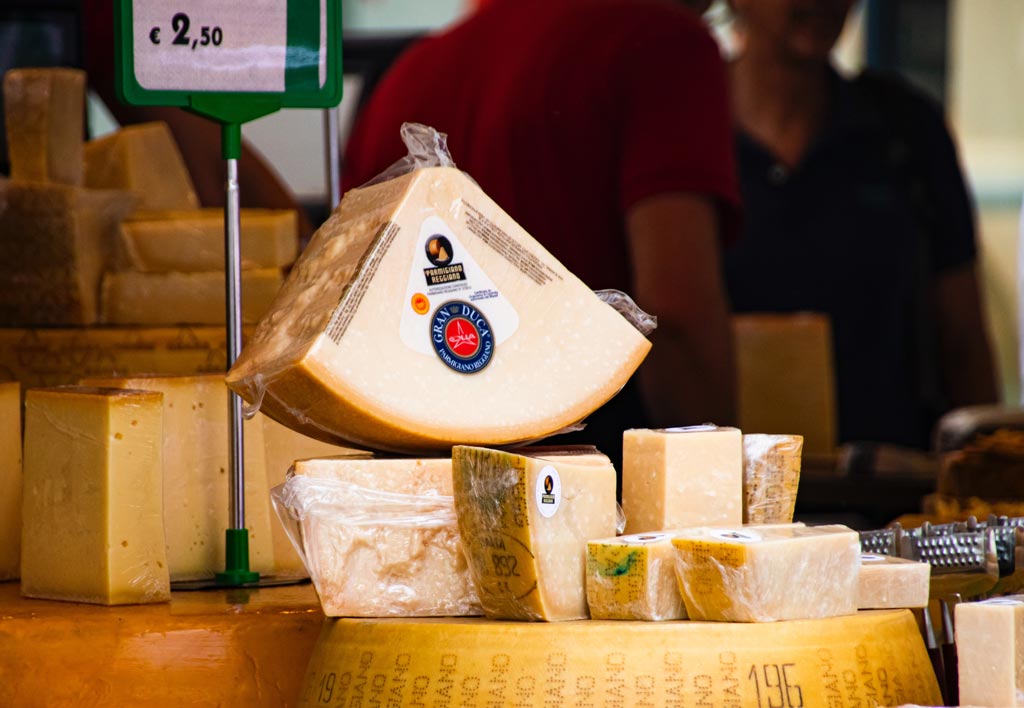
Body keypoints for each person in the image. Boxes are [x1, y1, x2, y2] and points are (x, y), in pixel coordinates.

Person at [343, 0, 742, 471]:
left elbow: (351, 315)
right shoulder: (662, 44)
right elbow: (678, 322)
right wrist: (725, 497)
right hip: (595, 492)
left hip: (420, 491)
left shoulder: (409, 74)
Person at [724, 0, 998, 450]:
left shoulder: (905, 130)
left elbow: (963, 335)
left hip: (886, 485)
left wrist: (982, 481)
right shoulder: (681, 120)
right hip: (715, 485)